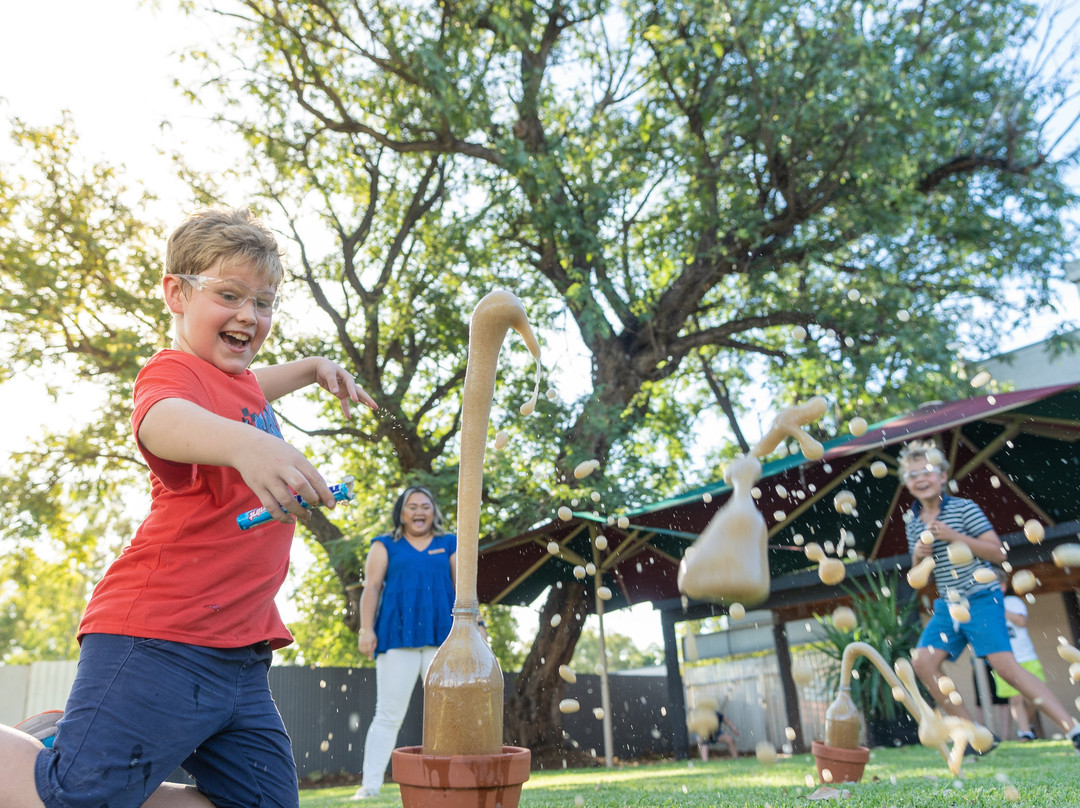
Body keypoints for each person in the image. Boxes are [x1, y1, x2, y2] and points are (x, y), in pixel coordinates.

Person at [0, 206, 377, 808]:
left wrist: (313, 369)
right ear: (176, 293)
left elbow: (256, 386)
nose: (249, 315)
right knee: (76, 796)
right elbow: (160, 419)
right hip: (157, 636)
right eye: (229, 295)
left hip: (240, 657)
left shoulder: (238, 385)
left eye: (265, 303)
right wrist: (249, 445)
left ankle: (92, 764)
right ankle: (52, 758)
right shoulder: (173, 373)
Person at [900, 440, 1080, 754]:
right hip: (948, 605)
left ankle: (1073, 729)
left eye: (926, 471)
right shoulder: (912, 522)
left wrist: (955, 536)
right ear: (907, 483)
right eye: (912, 475)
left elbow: (998, 553)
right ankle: (975, 736)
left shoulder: (964, 508)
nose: (920, 478)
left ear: (942, 476)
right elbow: (919, 578)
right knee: (923, 663)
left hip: (981, 597)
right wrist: (917, 555)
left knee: (1006, 668)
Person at [353, 485, 456, 800]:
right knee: (388, 714)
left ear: (433, 512)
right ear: (401, 512)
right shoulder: (384, 545)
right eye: (412, 506)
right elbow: (371, 588)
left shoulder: (449, 543)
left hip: (444, 638)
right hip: (396, 636)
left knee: (449, 715)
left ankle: (453, 782)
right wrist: (366, 629)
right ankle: (370, 786)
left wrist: (478, 625)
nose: (419, 511)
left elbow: (465, 589)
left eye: (425, 506)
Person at [992, 568, 1046, 741]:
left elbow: (1021, 621)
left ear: (1002, 586)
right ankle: (1025, 732)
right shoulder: (986, 608)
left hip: (1026, 657)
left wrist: (999, 608)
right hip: (1005, 659)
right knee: (1015, 699)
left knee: (1032, 698)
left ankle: (1029, 724)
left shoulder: (1012, 602)